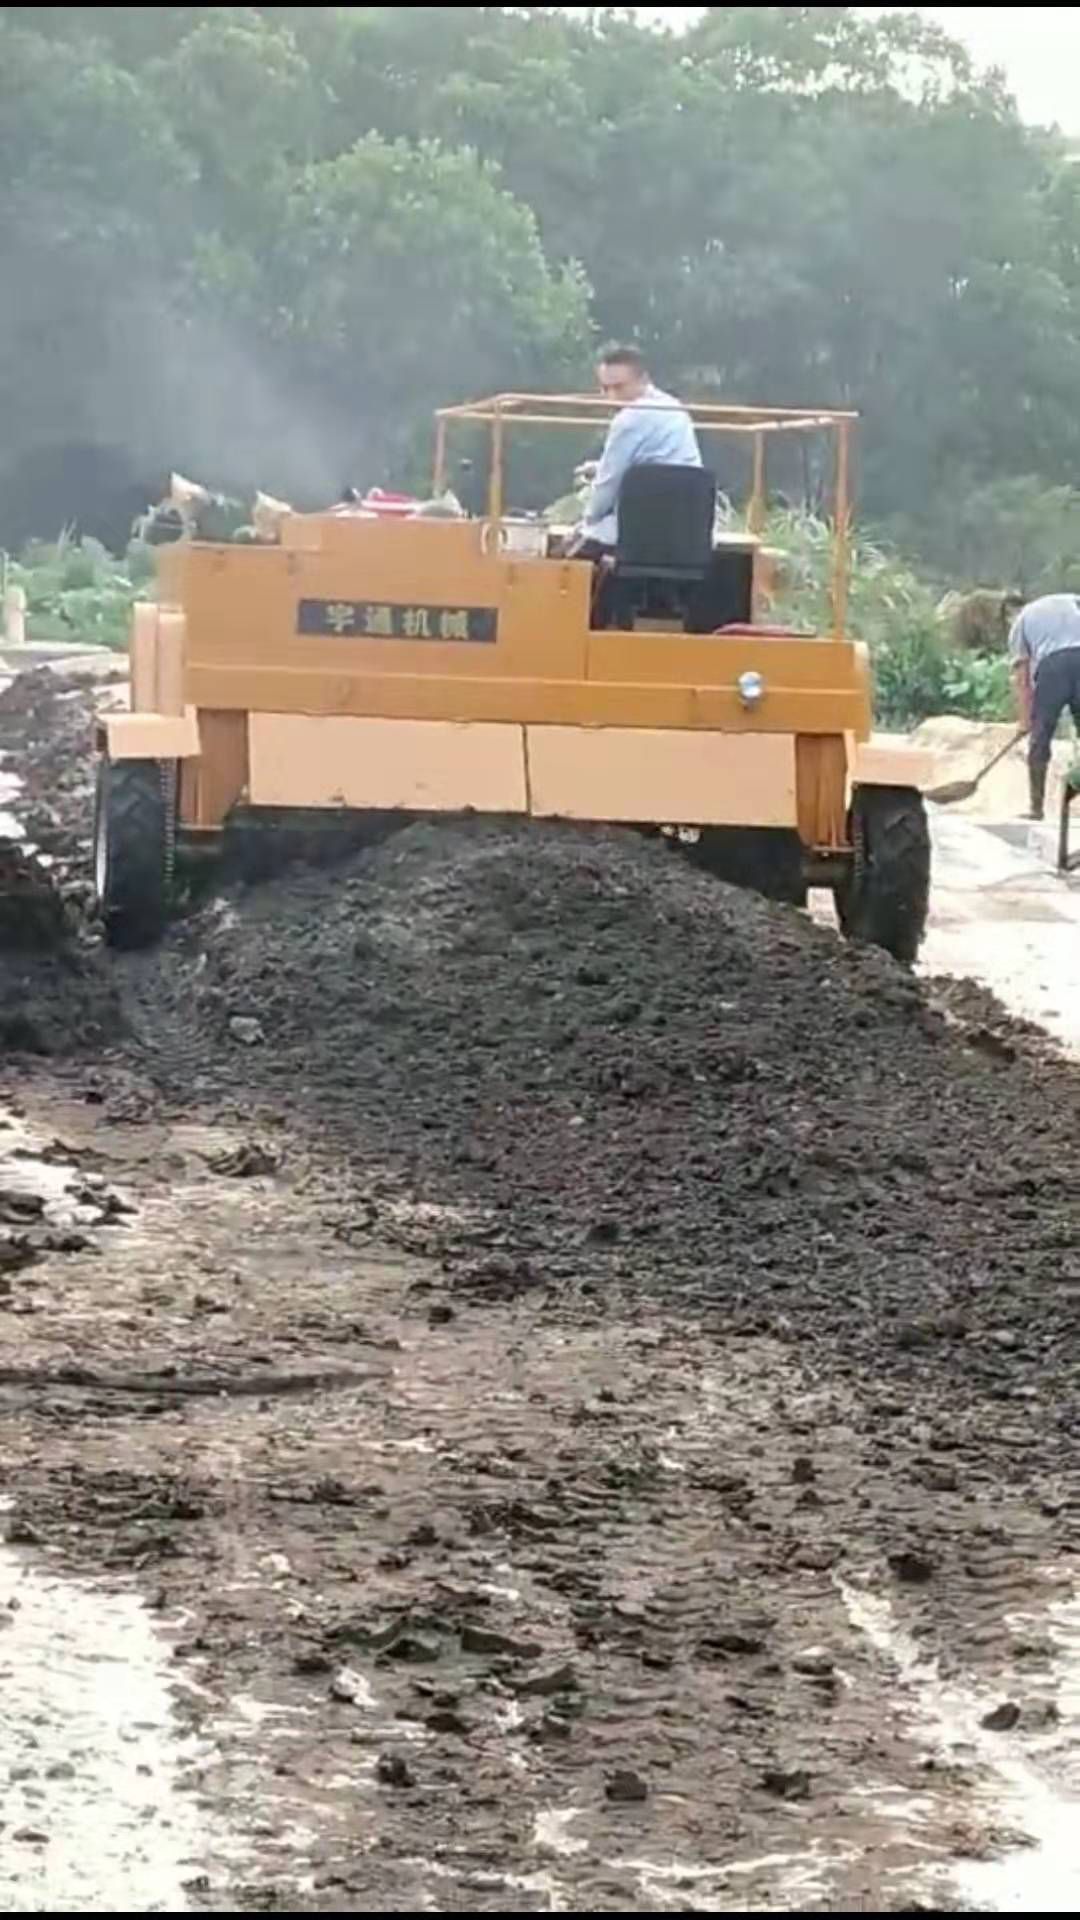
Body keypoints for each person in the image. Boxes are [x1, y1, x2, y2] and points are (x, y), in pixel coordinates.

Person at [573, 344, 701, 557]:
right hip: (690, 528)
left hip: (640, 530)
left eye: (619, 387)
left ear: (643, 379)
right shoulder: (676, 408)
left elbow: (608, 483)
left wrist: (586, 520)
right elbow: (663, 465)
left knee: (570, 552)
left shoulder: (628, 419)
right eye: (605, 388)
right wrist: (600, 467)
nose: (612, 396)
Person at [1008, 592, 1080, 819]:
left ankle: (1036, 808)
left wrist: (1024, 720)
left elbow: (1022, 677)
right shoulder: (1072, 600)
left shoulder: (1020, 622)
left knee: (1041, 735)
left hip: (1054, 667)